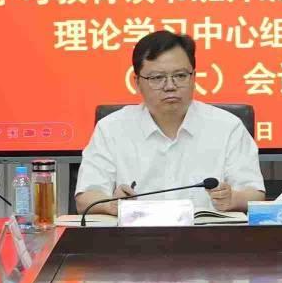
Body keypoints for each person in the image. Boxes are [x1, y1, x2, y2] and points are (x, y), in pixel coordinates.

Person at [77, 28, 262, 218]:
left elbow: (255, 193)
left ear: (194, 77)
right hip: (135, 234)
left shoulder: (227, 126)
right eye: (157, 78)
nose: (170, 86)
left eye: (180, 76)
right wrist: (111, 205)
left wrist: (233, 199)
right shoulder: (111, 129)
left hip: (208, 234)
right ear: (137, 82)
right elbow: (85, 198)